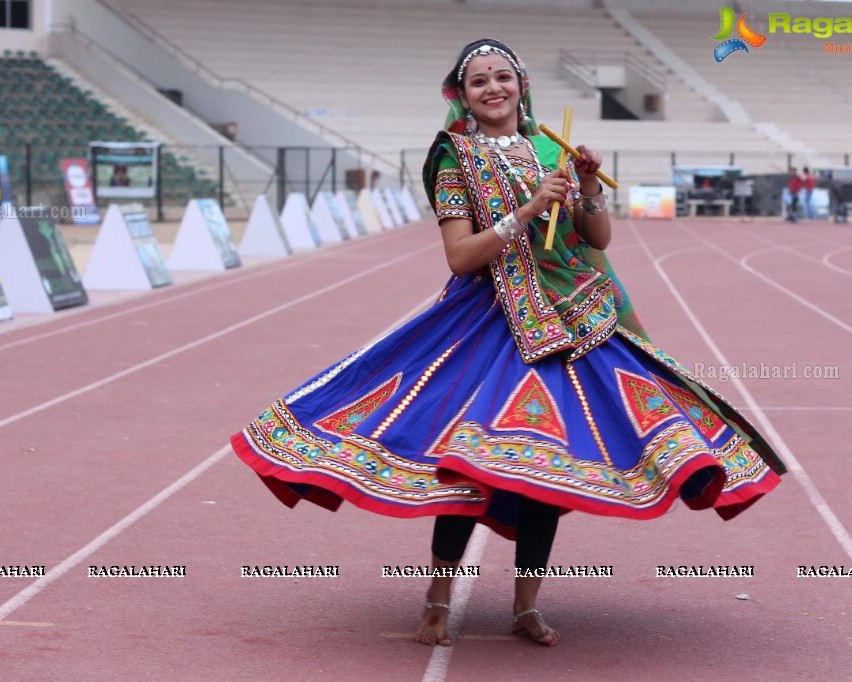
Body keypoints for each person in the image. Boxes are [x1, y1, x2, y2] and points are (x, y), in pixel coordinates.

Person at [231, 38, 785, 650]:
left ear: (522, 85)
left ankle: (526, 606)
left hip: (569, 324)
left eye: (503, 77)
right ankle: (437, 600)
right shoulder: (454, 158)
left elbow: (595, 236)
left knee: (548, 464)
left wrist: (588, 185)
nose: (493, 88)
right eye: (478, 82)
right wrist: (524, 213)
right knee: (464, 463)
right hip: (487, 325)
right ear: (462, 96)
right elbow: (461, 257)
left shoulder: (552, 148)